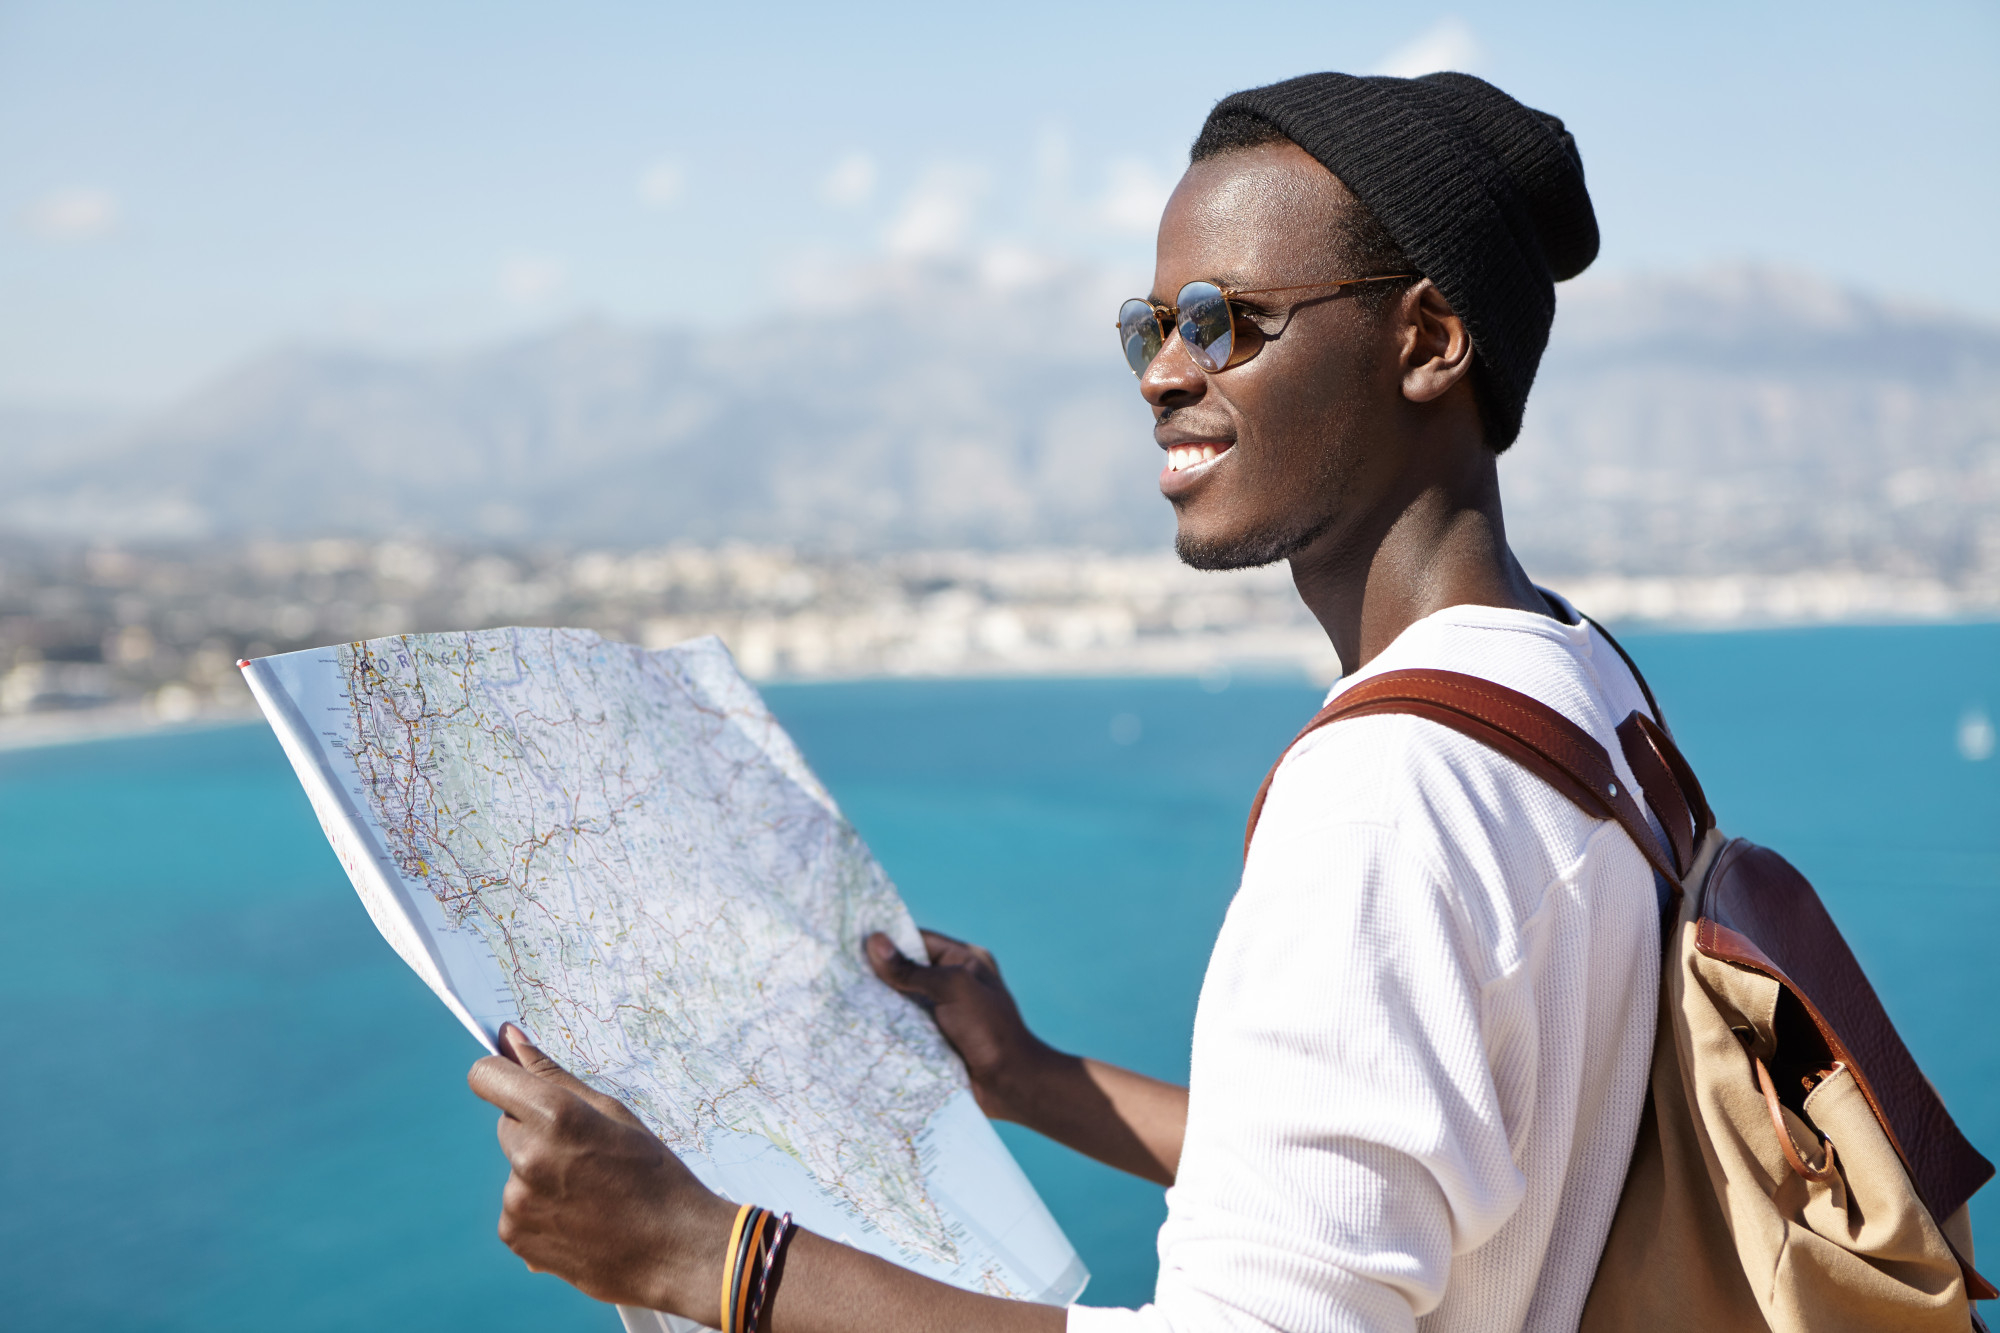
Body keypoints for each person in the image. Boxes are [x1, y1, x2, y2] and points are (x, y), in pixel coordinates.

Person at [469, 70, 1666, 1333]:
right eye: (1147, 327)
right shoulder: (1572, 687)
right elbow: (1401, 1168)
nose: (1161, 373)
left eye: (1222, 321)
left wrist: (704, 1255)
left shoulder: (1385, 797)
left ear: (1425, 341)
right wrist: (1031, 1078)